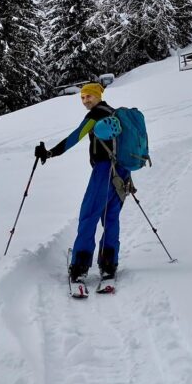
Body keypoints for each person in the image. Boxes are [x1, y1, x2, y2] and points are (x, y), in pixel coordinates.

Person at [34, 82, 130, 283]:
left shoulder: (95, 115)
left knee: (89, 215)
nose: (86, 101)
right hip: (122, 171)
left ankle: (80, 266)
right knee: (111, 217)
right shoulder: (115, 113)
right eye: (83, 98)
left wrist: (50, 152)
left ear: (98, 96)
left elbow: (74, 137)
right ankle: (109, 263)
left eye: (89, 96)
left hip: (104, 171)